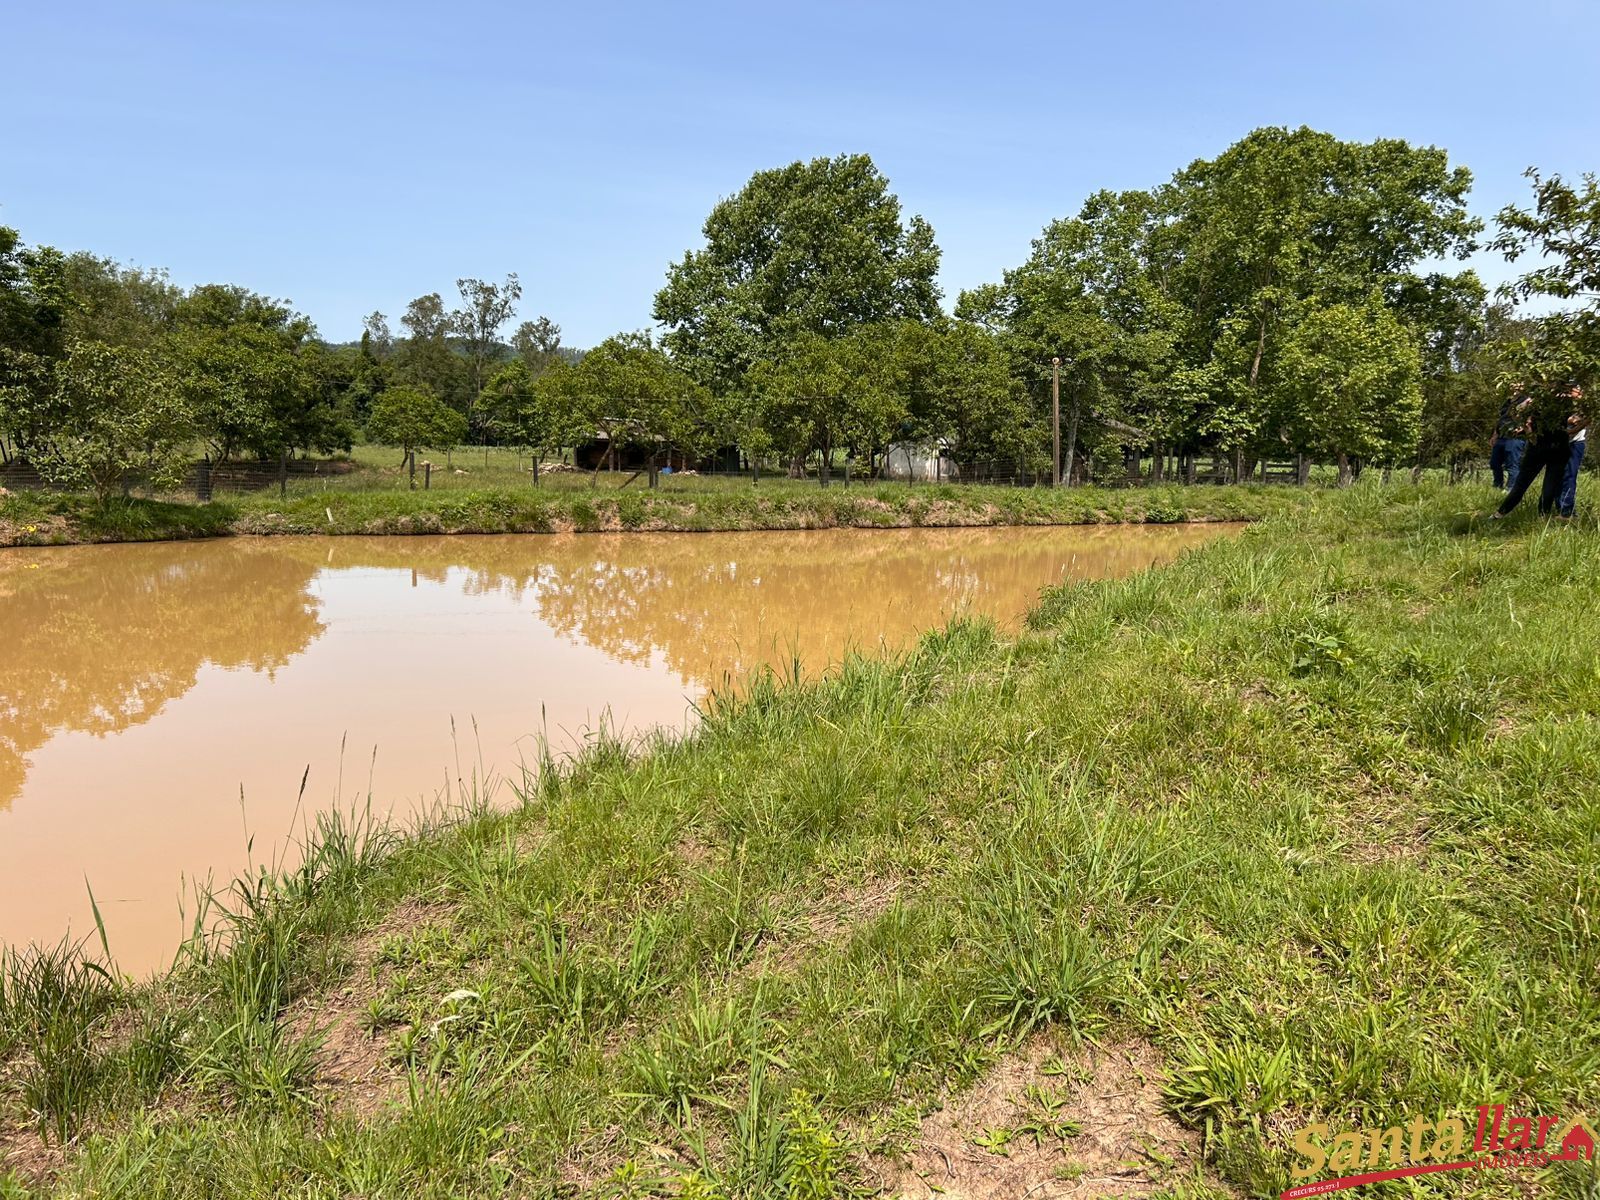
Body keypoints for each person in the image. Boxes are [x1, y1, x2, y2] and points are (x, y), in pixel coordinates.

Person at [1493, 384, 1583, 519]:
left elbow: (1586, 415)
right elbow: (1516, 412)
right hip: (1537, 447)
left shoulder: (1567, 403)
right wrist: (1529, 433)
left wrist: (1572, 430)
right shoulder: (1537, 400)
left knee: (1549, 489)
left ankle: (1543, 518)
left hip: (1559, 449)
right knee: (1521, 484)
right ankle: (1500, 513)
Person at [1490, 391, 1530, 489]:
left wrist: (1523, 427)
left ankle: (1511, 488)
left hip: (1515, 437)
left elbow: (1530, 417)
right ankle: (1497, 486)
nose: (1514, 385)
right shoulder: (1507, 401)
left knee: (1512, 464)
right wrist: (1494, 434)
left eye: (1518, 382)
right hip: (1501, 436)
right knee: (1494, 463)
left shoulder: (1527, 400)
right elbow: (1500, 418)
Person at [1557, 395, 1588, 519]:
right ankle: (1561, 508)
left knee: (1569, 476)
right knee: (1558, 476)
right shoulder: (1562, 402)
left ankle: (1567, 511)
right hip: (1560, 443)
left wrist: (1571, 423)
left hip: (1575, 444)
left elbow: (1578, 420)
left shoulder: (1582, 403)